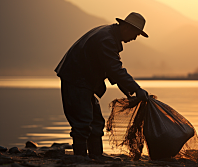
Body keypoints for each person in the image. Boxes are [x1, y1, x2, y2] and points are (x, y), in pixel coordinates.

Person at [54, 12, 149, 159]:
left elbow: (110, 68)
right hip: (75, 80)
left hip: (84, 82)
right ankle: (80, 158)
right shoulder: (107, 39)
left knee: (96, 122)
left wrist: (127, 90)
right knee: (83, 122)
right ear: (127, 28)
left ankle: (96, 156)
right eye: (136, 34)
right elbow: (114, 69)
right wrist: (136, 89)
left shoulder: (109, 35)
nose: (135, 38)